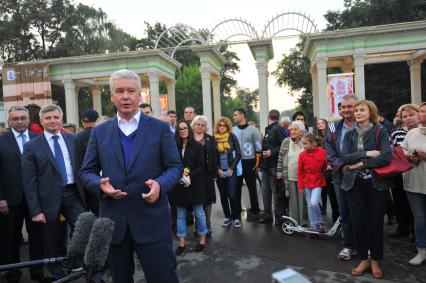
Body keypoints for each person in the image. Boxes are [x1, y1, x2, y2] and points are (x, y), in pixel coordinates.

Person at [80, 69, 182, 283]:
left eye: (130, 91)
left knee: (164, 278)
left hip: (152, 222)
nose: (125, 96)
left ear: (139, 95)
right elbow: (86, 172)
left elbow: (175, 167)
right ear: (111, 96)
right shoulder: (100, 132)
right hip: (114, 225)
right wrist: (99, 185)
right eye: (119, 91)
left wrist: (160, 185)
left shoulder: (160, 128)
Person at [22, 104, 86, 279]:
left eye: (56, 117)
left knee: (84, 227)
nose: (52, 121)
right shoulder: (32, 146)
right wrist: (35, 210)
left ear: (61, 119)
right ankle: (57, 273)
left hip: (73, 194)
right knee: (52, 239)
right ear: (41, 121)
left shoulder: (74, 140)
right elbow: (29, 181)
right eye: (48, 118)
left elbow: (81, 167)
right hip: (47, 198)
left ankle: (76, 261)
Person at [341, 100, 392, 279]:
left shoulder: (380, 131)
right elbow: (345, 157)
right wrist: (367, 154)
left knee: (375, 224)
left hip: (376, 183)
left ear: (371, 112)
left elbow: (386, 157)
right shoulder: (349, 135)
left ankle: (375, 259)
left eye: (362, 110)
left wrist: (361, 164)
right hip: (354, 184)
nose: (357, 113)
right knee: (358, 223)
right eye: (356, 110)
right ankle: (363, 258)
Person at [0, 106, 44, 283]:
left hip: (36, 199)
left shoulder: (39, 139)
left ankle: (37, 271)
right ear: (9, 121)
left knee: (38, 237)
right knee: (10, 238)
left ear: (29, 120)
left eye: (23, 118)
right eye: (15, 118)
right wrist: (0, 197)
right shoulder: (1, 141)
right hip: (10, 199)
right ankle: (13, 273)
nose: (19, 121)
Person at [325, 94, 358, 261]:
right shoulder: (332, 128)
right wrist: (342, 166)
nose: (345, 110)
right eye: (343, 107)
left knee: (361, 213)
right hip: (340, 176)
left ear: (356, 106)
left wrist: (355, 166)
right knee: (344, 212)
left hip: (361, 176)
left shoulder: (365, 125)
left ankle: (364, 246)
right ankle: (348, 245)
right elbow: (329, 151)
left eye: (349, 106)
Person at [169, 120, 208, 255]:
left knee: (199, 214)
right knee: (180, 215)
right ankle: (181, 243)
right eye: (180, 129)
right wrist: (179, 175)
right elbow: (171, 164)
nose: (183, 130)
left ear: (189, 130)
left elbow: (202, 165)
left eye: (185, 128)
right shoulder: (174, 147)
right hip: (179, 186)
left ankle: (202, 239)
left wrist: (190, 175)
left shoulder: (197, 146)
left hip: (195, 185)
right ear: (177, 132)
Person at [402, 102, 426, 265]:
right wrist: (410, 156)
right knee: (419, 219)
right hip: (414, 182)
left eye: (423, 112)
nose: (419, 114)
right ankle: (421, 250)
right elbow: (402, 151)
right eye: (421, 111)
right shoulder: (411, 133)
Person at [389, 104, 419, 238]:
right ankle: (402, 228)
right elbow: (390, 151)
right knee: (400, 202)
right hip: (399, 173)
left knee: (416, 206)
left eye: (410, 115)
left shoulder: (422, 131)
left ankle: (416, 233)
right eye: (404, 117)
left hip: (418, 173)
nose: (407, 119)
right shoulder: (396, 132)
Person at [277, 121, 308, 227]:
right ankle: (294, 222)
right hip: (289, 176)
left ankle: (304, 222)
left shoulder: (306, 141)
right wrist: (279, 172)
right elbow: (281, 158)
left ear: (302, 131)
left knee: (303, 201)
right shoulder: (286, 141)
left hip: (303, 177)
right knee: (292, 201)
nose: (292, 131)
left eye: (295, 129)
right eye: (292, 129)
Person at [232, 108, 262, 218]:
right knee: (237, 187)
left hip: (250, 161)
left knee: (252, 186)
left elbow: (258, 147)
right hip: (237, 162)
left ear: (242, 116)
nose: (234, 117)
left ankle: (255, 208)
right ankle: (237, 209)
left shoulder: (253, 130)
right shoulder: (233, 130)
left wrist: (257, 163)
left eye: (235, 115)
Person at [258, 110, 286, 225]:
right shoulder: (268, 129)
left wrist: (272, 152)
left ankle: (279, 217)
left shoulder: (277, 128)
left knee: (275, 192)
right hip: (266, 165)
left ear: (268, 116)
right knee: (265, 191)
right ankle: (268, 215)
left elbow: (284, 145)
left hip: (274, 165)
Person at [191, 115, 217, 237]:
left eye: (202, 125)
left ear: (205, 127)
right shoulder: (188, 138)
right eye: (198, 124)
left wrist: (214, 173)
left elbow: (215, 157)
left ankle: (207, 224)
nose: (200, 127)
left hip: (207, 174)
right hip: (193, 174)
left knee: (207, 200)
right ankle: (198, 225)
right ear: (193, 125)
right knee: (196, 200)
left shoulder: (210, 139)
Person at [214, 117, 242, 228]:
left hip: (231, 171)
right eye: (220, 125)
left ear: (227, 127)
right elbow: (211, 157)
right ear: (217, 126)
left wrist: (231, 168)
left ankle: (236, 217)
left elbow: (239, 154)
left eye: (224, 125)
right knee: (223, 195)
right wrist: (217, 170)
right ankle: (227, 217)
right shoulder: (213, 139)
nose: (221, 127)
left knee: (232, 194)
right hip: (219, 171)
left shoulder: (232, 137)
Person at [297, 133, 327, 232]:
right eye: (302, 143)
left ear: (313, 143)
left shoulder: (322, 152)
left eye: (305, 143)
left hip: (318, 181)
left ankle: (319, 222)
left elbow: (327, 163)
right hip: (306, 182)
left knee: (314, 203)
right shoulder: (302, 155)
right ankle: (314, 226)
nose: (303, 146)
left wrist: (329, 166)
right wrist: (300, 186)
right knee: (309, 205)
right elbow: (300, 171)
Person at [76, 109, 100, 215]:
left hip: (82, 182)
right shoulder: (101, 135)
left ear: (82, 122)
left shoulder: (76, 138)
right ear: (97, 120)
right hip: (100, 181)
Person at [316, 118, 339, 222]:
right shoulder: (320, 138)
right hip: (326, 169)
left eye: (322, 123)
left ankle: (339, 218)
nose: (320, 125)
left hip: (337, 167)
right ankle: (334, 216)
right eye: (318, 123)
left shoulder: (337, 135)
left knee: (337, 195)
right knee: (329, 193)